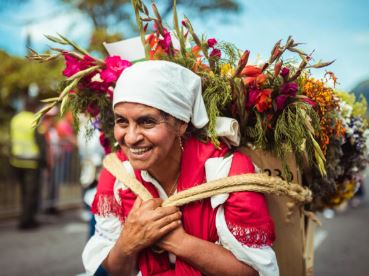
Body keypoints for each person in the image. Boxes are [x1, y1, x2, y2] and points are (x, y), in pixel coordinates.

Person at [82, 60, 279, 275]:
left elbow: (255, 272)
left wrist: (179, 242)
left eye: (147, 122)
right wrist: (128, 242)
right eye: (122, 122)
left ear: (181, 123)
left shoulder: (227, 174)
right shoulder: (118, 174)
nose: (130, 137)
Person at [10, 98, 47, 229]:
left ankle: (24, 217)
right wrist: (44, 162)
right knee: (31, 193)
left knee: (23, 192)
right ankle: (27, 221)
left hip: (16, 161)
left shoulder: (16, 119)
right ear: (33, 107)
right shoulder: (34, 119)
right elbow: (41, 142)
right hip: (31, 163)